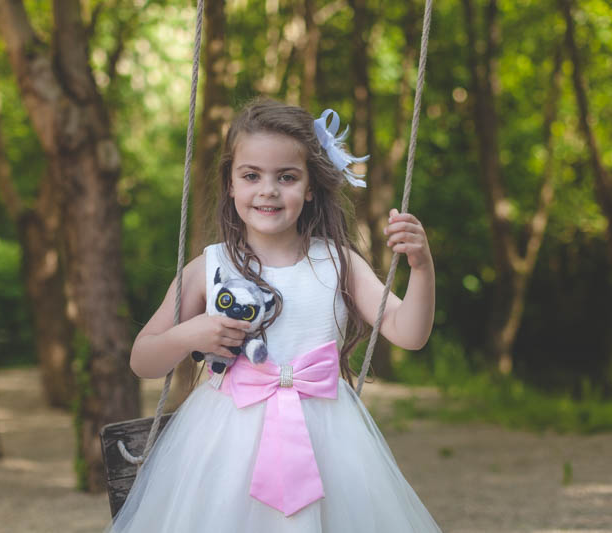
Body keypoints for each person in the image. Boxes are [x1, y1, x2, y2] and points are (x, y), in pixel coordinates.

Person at [107, 98, 441, 532]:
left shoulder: (338, 262)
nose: (268, 190)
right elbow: (142, 359)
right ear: (230, 183)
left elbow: (409, 333)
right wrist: (190, 335)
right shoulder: (209, 268)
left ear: (309, 187)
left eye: (286, 176)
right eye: (251, 176)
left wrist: (422, 267)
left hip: (330, 444)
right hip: (225, 443)